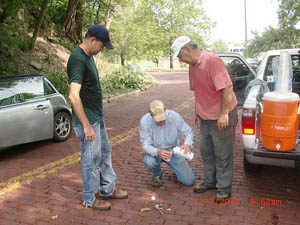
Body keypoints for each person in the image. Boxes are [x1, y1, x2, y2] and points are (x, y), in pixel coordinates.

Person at [67, 24, 128, 211]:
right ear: (92, 40)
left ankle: (108, 188)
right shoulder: (78, 59)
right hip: (88, 121)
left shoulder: (88, 56)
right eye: (102, 45)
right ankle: (90, 198)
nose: (102, 50)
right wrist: (86, 125)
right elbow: (73, 95)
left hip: (96, 117)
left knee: (104, 153)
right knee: (91, 160)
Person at [171, 36, 238, 203]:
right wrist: (198, 111)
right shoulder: (193, 66)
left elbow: (227, 89)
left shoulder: (212, 61)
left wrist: (223, 114)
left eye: (179, 56)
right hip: (205, 117)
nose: (180, 60)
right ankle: (210, 182)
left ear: (187, 49)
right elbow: (198, 91)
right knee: (207, 152)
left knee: (223, 154)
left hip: (221, 116)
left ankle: (223, 188)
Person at [139, 100, 195, 187]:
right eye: (158, 121)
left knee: (189, 181)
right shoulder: (145, 121)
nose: (161, 123)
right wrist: (158, 152)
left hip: (173, 150)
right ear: (151, 116)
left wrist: (187, 144)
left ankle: (179, 169)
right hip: (155, 151)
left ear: (165, 111)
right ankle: (156, 174)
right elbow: (145, 145)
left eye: (163, 120)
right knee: (149, 162)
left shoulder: (174, 116)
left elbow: (188, 132)